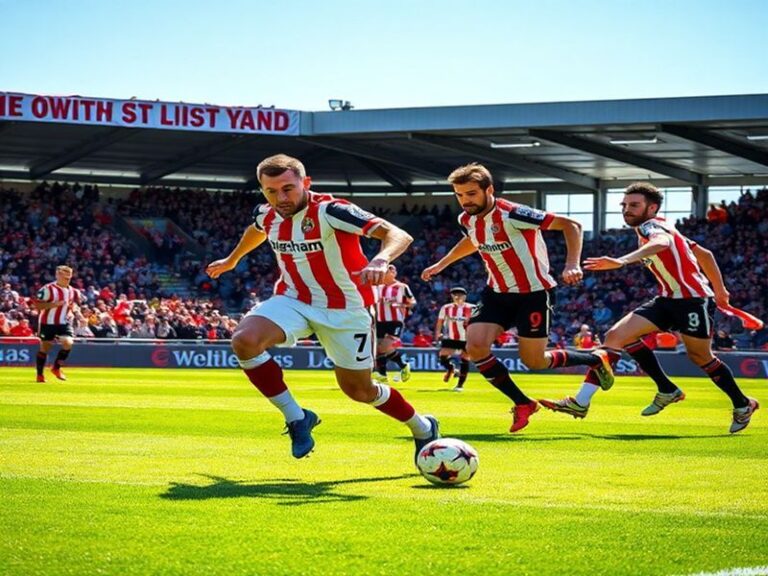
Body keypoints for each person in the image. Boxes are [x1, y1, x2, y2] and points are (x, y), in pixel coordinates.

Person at [206, 154, 439, 462]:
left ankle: (423, 427)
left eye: (288, 188)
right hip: (293, 299)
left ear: (306, 183)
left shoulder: (333, 211)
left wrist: (381, 260)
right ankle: (297, 417)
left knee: (360, 391)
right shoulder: (267, 213)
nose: (280, 198)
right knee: (244, 341)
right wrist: (232, 260)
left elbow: (398, 234)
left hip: (347, 310)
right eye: (270, 191)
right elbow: (257, 229)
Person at [539, 182, 759, 433]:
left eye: (634, 205)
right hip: (667, 299)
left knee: (700, 356)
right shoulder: (665, 226)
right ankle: (584, 402)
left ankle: (743, 404)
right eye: (624, 205)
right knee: (615, 337)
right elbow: (705, 254)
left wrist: (621, 261)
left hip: (692, 300)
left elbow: (662, 243)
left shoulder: (652, 227)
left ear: (652, 207)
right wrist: (721, 290)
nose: (626, 210)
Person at [421, 163, 614, 432]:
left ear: (489, 189)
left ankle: (594, 359)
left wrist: (572, 263)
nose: (466, 201)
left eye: (471, 194)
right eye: (460, 195)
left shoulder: (513, 213)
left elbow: (571, 225)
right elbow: (474, 240)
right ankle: (523, 403)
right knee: (475, 347)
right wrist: (442, 264)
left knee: (534, 362)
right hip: (496, 294)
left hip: (534, 295)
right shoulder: (466, 219)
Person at [32, 265, 81, 382]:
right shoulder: (47, 289)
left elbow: (72, 306)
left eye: (69, 276)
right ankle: (40, 375)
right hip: (47, 323)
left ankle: (56, 368)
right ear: (57, 275)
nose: (67, 278)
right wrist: (54, 304)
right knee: (45, 347)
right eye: (64, 276)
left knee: (68, 343)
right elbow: (37, 305)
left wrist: (78, 314)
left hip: (63, 322)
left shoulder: (73, 291)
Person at [373, 264, 416, 384]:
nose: (388, 272)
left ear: (394, 273)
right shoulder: (378, 287)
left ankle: (382, 374)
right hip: (380, 321)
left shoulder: (402, 287)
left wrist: (402, 305)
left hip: (395, 321)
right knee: (379, 349)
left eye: (391, 271)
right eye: (386, 271)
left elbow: (412, 301)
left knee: (383, 347)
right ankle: (401, 367)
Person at [433, 287, 475, 391]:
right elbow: (440, 322)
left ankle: (460, 385)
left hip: (467, 338)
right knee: (442, 356)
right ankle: (451, 368)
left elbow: (479, 323)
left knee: (465, 359)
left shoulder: (472, 308)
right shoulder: (446, 308)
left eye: (460, 295)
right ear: (452, 296)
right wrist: (437, 334)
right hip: (451, 337)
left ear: (465, 296)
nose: (458, 297)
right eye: (455, 295)